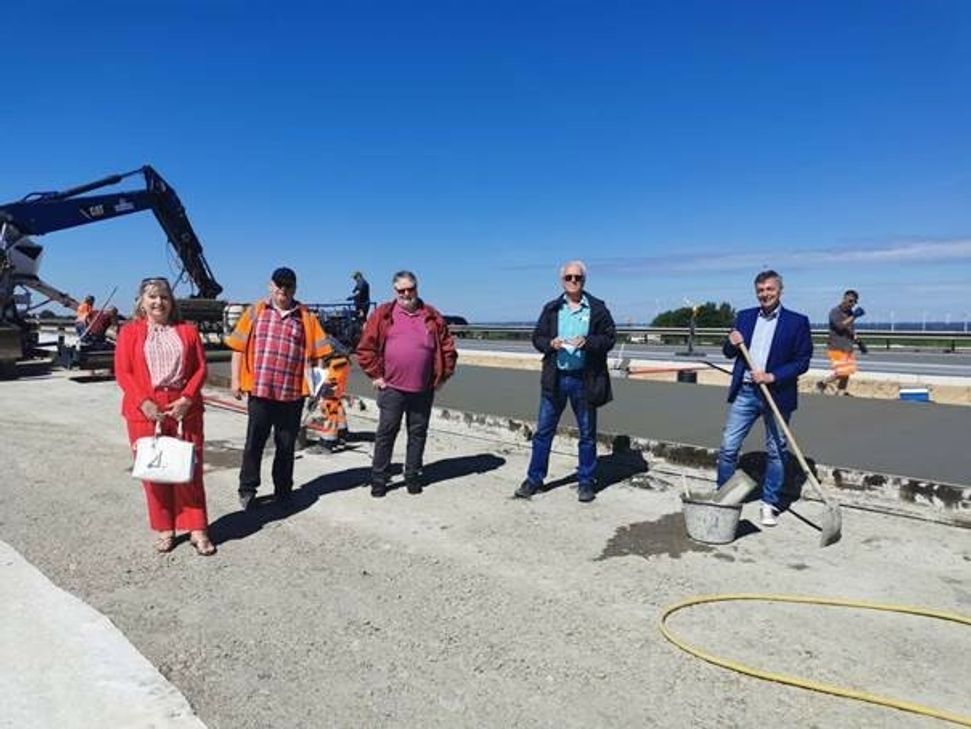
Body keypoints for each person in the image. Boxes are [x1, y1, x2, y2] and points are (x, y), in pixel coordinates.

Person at [114, 277, 215, 555]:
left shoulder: (188, 331)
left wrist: (187, 398)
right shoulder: (129, 332)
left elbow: (200, 369)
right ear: (142, 302)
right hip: (145, 409)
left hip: (183, 407)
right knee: (155, 470)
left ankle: (197, 527)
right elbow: (123, 371)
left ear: (172, 302)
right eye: (152, 297)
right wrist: (143, 402)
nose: (159, 302)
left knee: (189, 469)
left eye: (164, 297)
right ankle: (164, 527)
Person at [226, 267, 332, 509]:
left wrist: (317, 389)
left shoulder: (306, 317)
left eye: (288, 286)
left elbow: (319, 357)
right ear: (270, 286)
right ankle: (248, 489)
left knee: (285, 446)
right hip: (260, 392)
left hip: (291, 394)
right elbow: (237, 348)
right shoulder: (255, 312)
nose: (283, 290)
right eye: (279, 285)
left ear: (295, 289)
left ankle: (283, 490)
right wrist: (235, 381)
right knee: (254, 442)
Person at [716, 270, 813, 527]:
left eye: (769, 289)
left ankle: (769, 504)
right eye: (760, 290)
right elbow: (728, 353)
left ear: (780, 290)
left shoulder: (797, 322)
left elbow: (802, 362)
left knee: (777, 451)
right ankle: (725, 498)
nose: (765, 294)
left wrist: (772, 376)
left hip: (776, 394)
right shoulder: (745, 317)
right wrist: (731, 341)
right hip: (746, 392)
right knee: (728, 448)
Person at [514, 260, 616, 503]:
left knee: (587, 434)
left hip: (585, 379)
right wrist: (550, 344)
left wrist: (589, 341)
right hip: (556, 378)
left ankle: (586, 482)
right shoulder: (551, 308)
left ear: (584, 281)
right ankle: (534, 479)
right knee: (543, 432)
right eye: (569, 277)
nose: (573, 281)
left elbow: (610, 338)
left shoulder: (597, 308)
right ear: (562, 281)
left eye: (577, 278)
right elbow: (537, 337)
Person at [355, 270, 457, 497]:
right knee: (385, 434)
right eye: (401, 290)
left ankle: (412, 475)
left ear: (417, 288)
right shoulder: (383, 314)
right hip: (391, 387)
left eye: (410, 289)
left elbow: (448, 348)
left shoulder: (431, 315)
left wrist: (442, 377)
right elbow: (365, 348)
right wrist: (375, 376)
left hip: (422, 389)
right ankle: (379, 479)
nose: (406, 294)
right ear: (395, 291)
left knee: (418, 433)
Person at [818, 289, 864, 396]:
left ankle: (841, 392)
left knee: (847, 373)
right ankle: (823, 383)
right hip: (836, 346)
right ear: (844, 299)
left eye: (854, 302)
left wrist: (858, 341)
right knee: (843, 371)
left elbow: (850, 328)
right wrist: (854, 316)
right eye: (850, 301)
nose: (852, 304)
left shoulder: (850, 313)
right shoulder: (835, 312)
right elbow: (840, 326)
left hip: (847, 346)